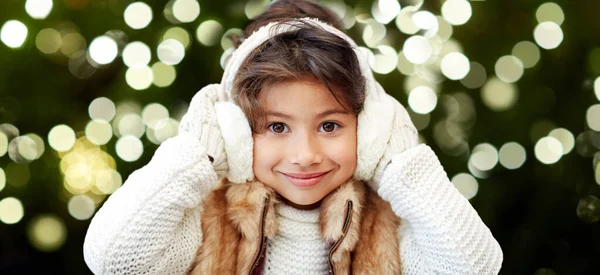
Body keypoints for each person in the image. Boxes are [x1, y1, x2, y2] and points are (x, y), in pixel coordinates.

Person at [83, 0, 503, 274]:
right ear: (235, 134)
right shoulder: (205, 215)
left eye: (330, 126)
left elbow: (475, 267)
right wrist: (196, 154)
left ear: (370, 127)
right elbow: (115, 260)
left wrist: (403, 164)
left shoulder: (392, 221)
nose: (305, 155)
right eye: (277, 127)